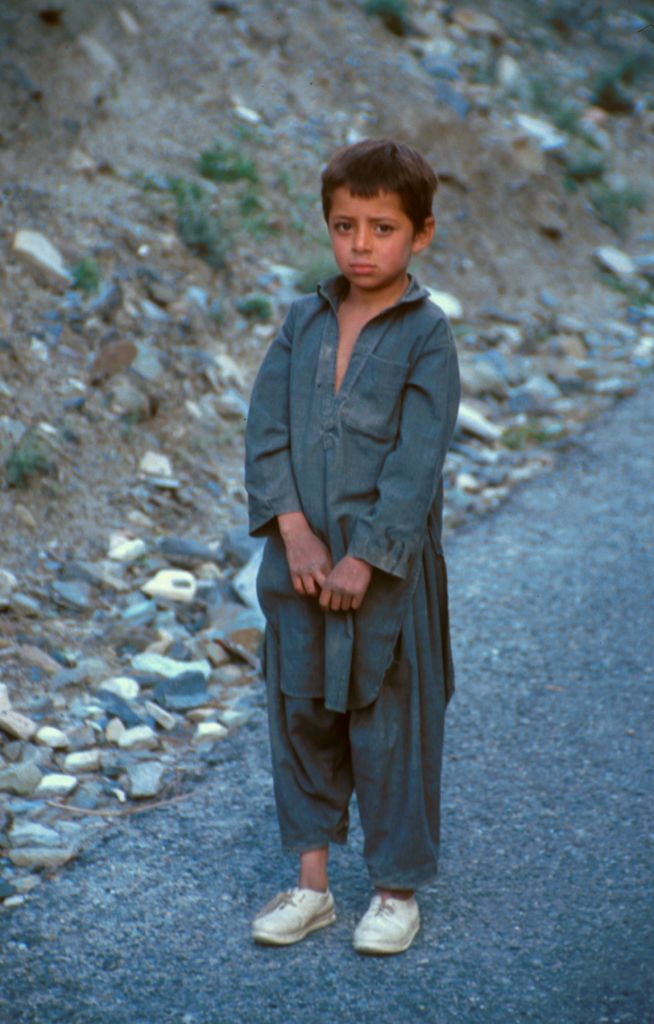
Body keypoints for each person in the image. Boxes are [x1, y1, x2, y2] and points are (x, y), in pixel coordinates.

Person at [244, 137, 460, 955]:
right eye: (345, 226)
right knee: (300, 712)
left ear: (422, 234)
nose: (361, 246)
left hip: (388, 575)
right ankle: (311, 887)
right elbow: (265, 432)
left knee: (390, 720)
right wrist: (295, 534)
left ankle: (396, 892)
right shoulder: (303, 321)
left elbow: (416, 462)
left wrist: (365, 556)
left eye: (382, 228)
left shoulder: (426, 335)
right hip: (299, 569)